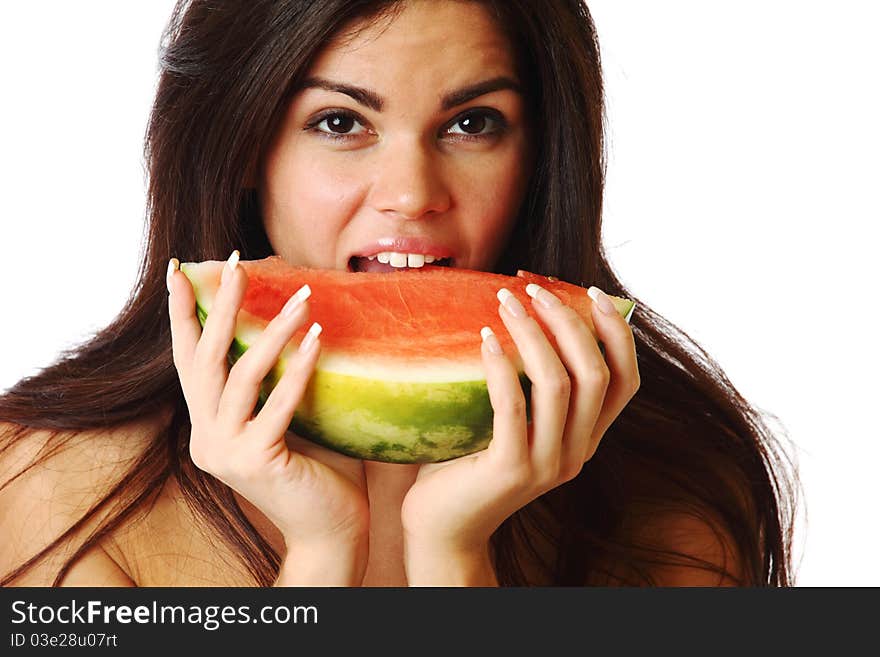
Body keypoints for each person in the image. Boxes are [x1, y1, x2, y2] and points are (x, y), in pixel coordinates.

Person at [0, 0, 798, 587]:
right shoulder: (49, 490)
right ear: (244, 143)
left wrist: (453, 555)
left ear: (542, 153)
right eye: (341, 123)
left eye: (474, 123)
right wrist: (321, 552)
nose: (412, 195)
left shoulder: (673, 490)